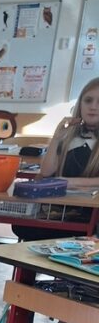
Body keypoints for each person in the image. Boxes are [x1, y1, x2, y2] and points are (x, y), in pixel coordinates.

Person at [12, 77, 99, 241]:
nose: (93, 107)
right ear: (80, 104)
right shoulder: (69, 138)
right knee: (22, 225)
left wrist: (69, 182)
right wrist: (56, 138)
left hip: (90, 215)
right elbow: (46, 172)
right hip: (59, 210)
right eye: (88, 100)